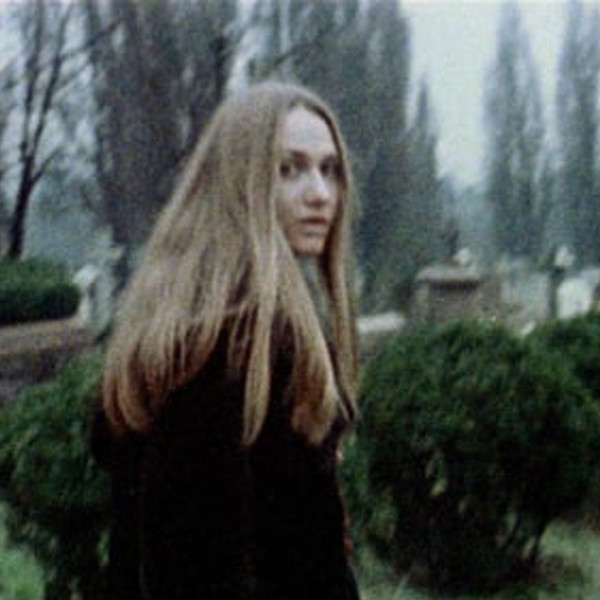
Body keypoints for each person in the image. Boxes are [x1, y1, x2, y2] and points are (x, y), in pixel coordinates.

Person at [91, 80, 361, 600]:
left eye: (329, 170)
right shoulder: (232, 347)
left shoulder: (202, 326)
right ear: (239, 183)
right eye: (289, 169)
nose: (320, 194)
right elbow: (190, 566)